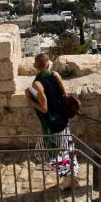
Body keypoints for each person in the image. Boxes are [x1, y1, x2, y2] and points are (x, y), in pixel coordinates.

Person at [26, 53, 79, 188]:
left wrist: (31, 102)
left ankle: (69, 174)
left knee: (43, 154)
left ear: (34, 66)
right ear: (48, 64)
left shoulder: (37, 84)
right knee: (66, 149)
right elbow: (65, 96)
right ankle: (73, 175)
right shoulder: (56, 75)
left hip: (53, 127)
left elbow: (44, 108)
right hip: (64, 120)